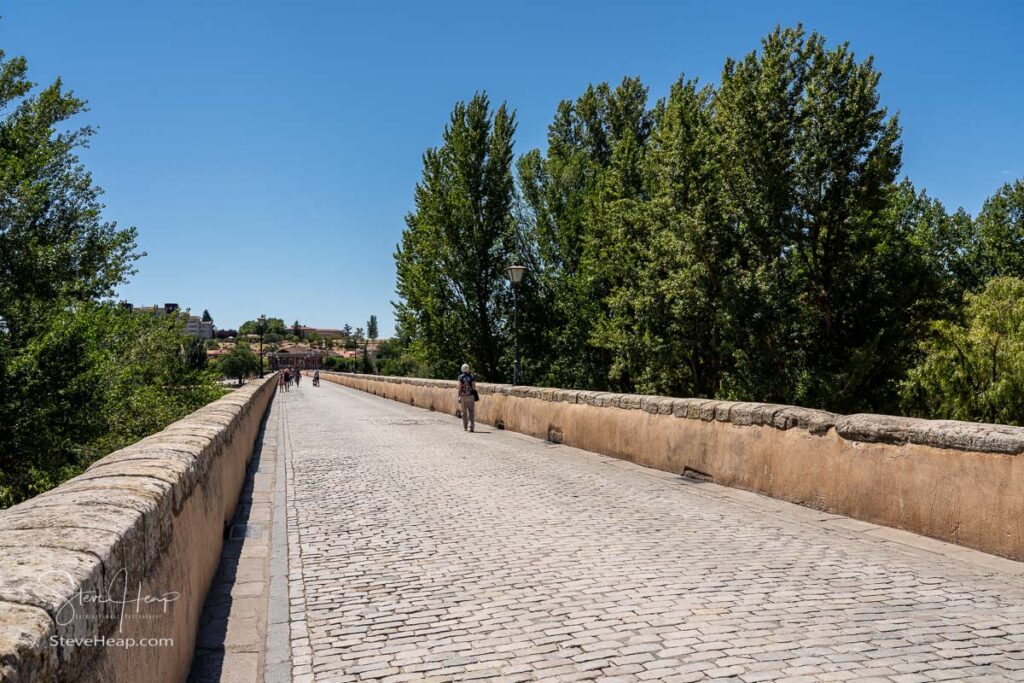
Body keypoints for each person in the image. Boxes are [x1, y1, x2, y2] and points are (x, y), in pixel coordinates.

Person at [455, 363, 477, 432]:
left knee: (464, 412)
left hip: (463, 396)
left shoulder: (460, 377)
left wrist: (458, 396)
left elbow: (459, 387)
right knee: (471, 412)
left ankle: (465, 426)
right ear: (468, 369)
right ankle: (471, 427)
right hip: (470, 396)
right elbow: (474, 386)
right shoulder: (472, 376)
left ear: (462, 369)